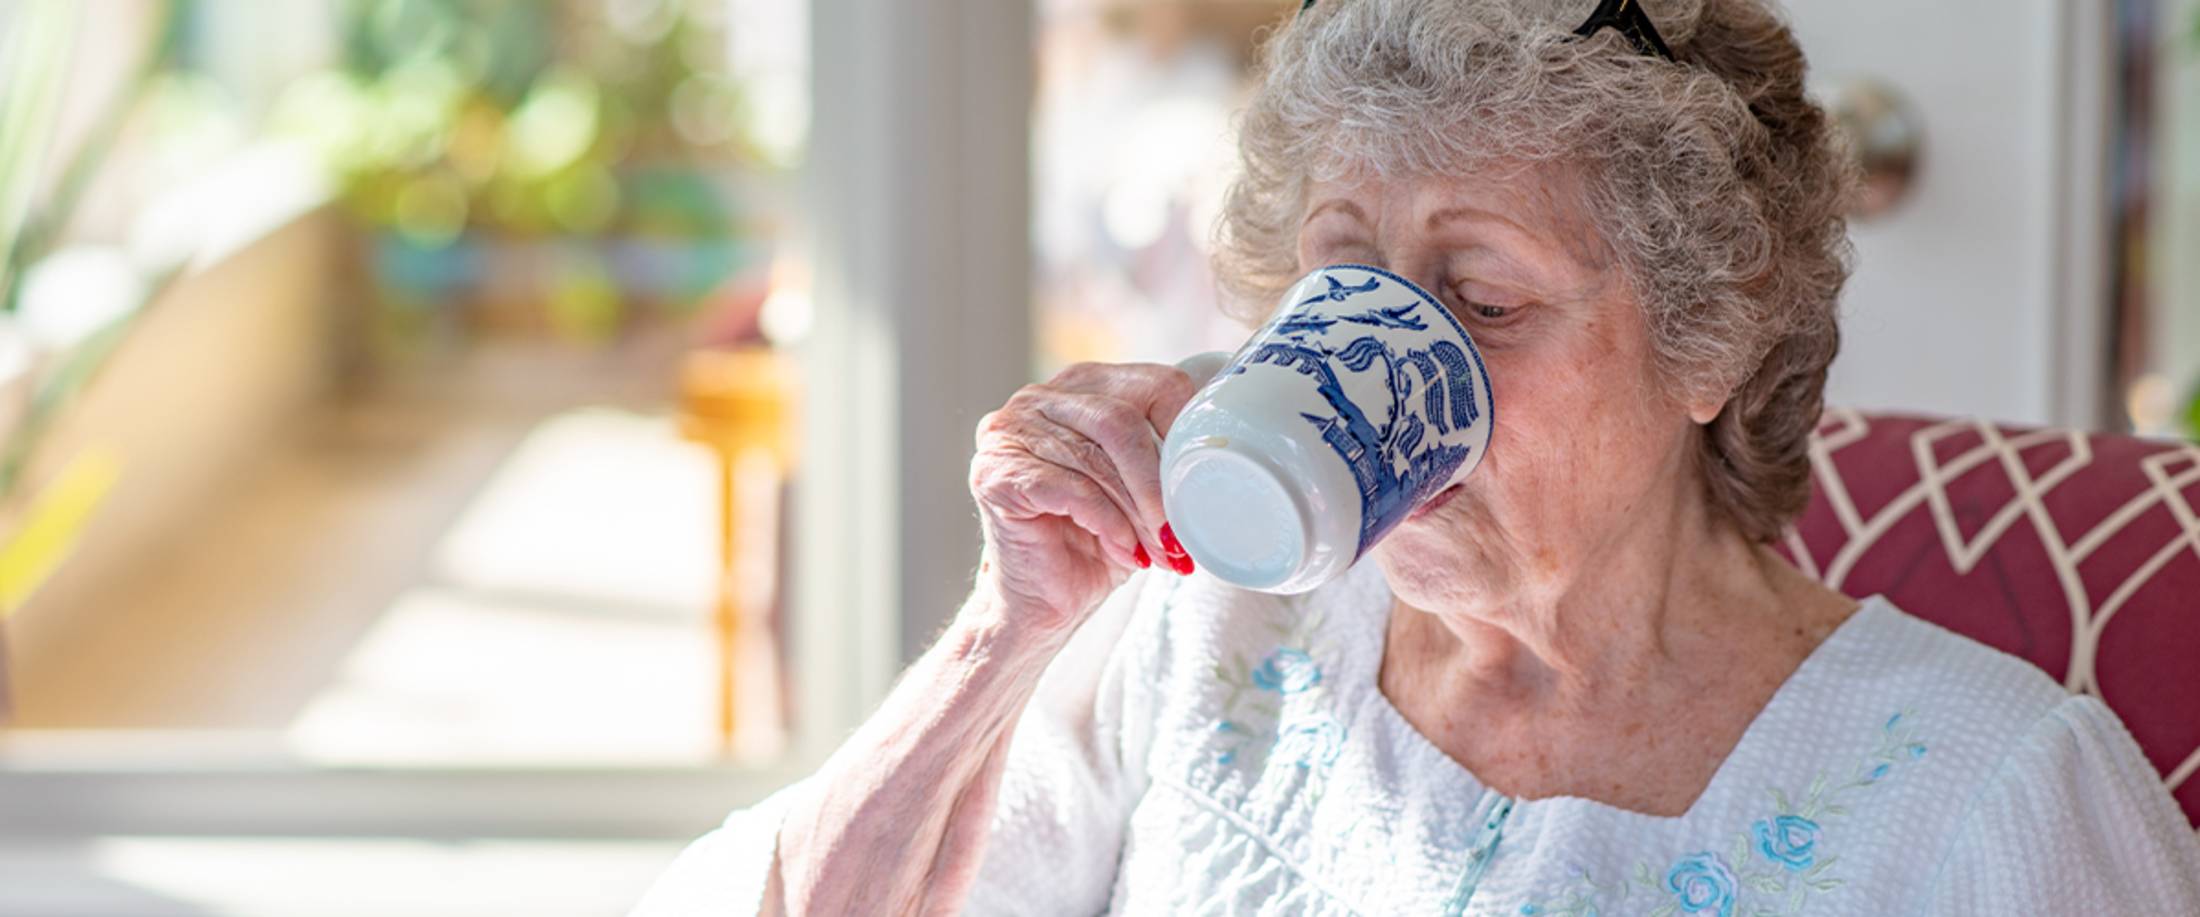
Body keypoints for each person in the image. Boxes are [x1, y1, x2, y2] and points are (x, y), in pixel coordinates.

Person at [634, 1, 2200, 913]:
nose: (1385, 355)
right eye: (1341, 277)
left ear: (1708, 338)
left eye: (1481, 297)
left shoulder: (1986, 798)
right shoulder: (1209, 626)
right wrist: (1011, 630)